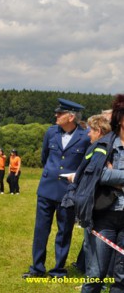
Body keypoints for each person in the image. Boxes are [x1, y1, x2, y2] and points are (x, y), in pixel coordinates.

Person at [22, 98, 90, 279]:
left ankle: (58, 270)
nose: (56, 115)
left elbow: (85, 163)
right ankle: (37, 268)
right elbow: (45, 157)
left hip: (68, 192)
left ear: (71, 117)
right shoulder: (51, 132)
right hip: (46, 189)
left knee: (64, 231)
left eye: (60, 113)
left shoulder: (85, 136)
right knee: (41, 230)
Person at [74, 98, 124, 293]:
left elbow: (107, 174)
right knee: (96, 274)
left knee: (122, 277)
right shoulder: (104, 144)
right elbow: (99, 174)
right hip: (105, 216)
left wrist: (115, 177)